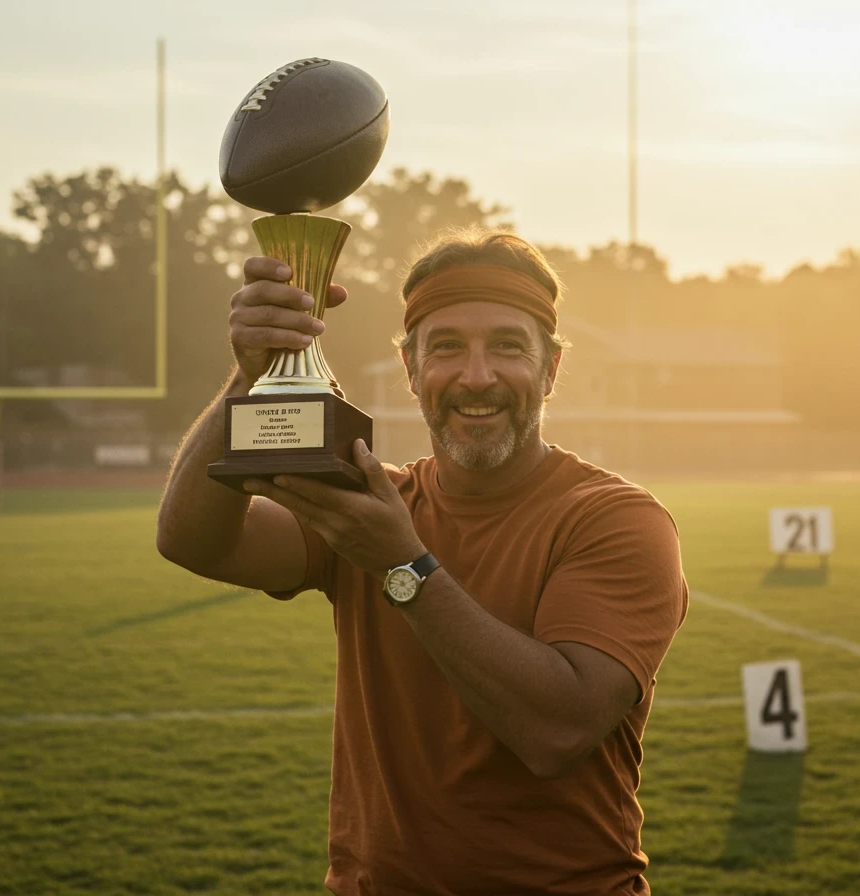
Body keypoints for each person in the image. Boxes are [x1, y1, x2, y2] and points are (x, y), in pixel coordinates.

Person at [157, 227, 689, 895]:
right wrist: (252, 375)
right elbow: (193, 540)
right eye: (445, 348)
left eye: (507, 347)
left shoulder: (615, 519)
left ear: (551, 369)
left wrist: (400, 565)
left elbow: (558, 729)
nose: (476, 376)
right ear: (410, 370)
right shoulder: (373, 506)